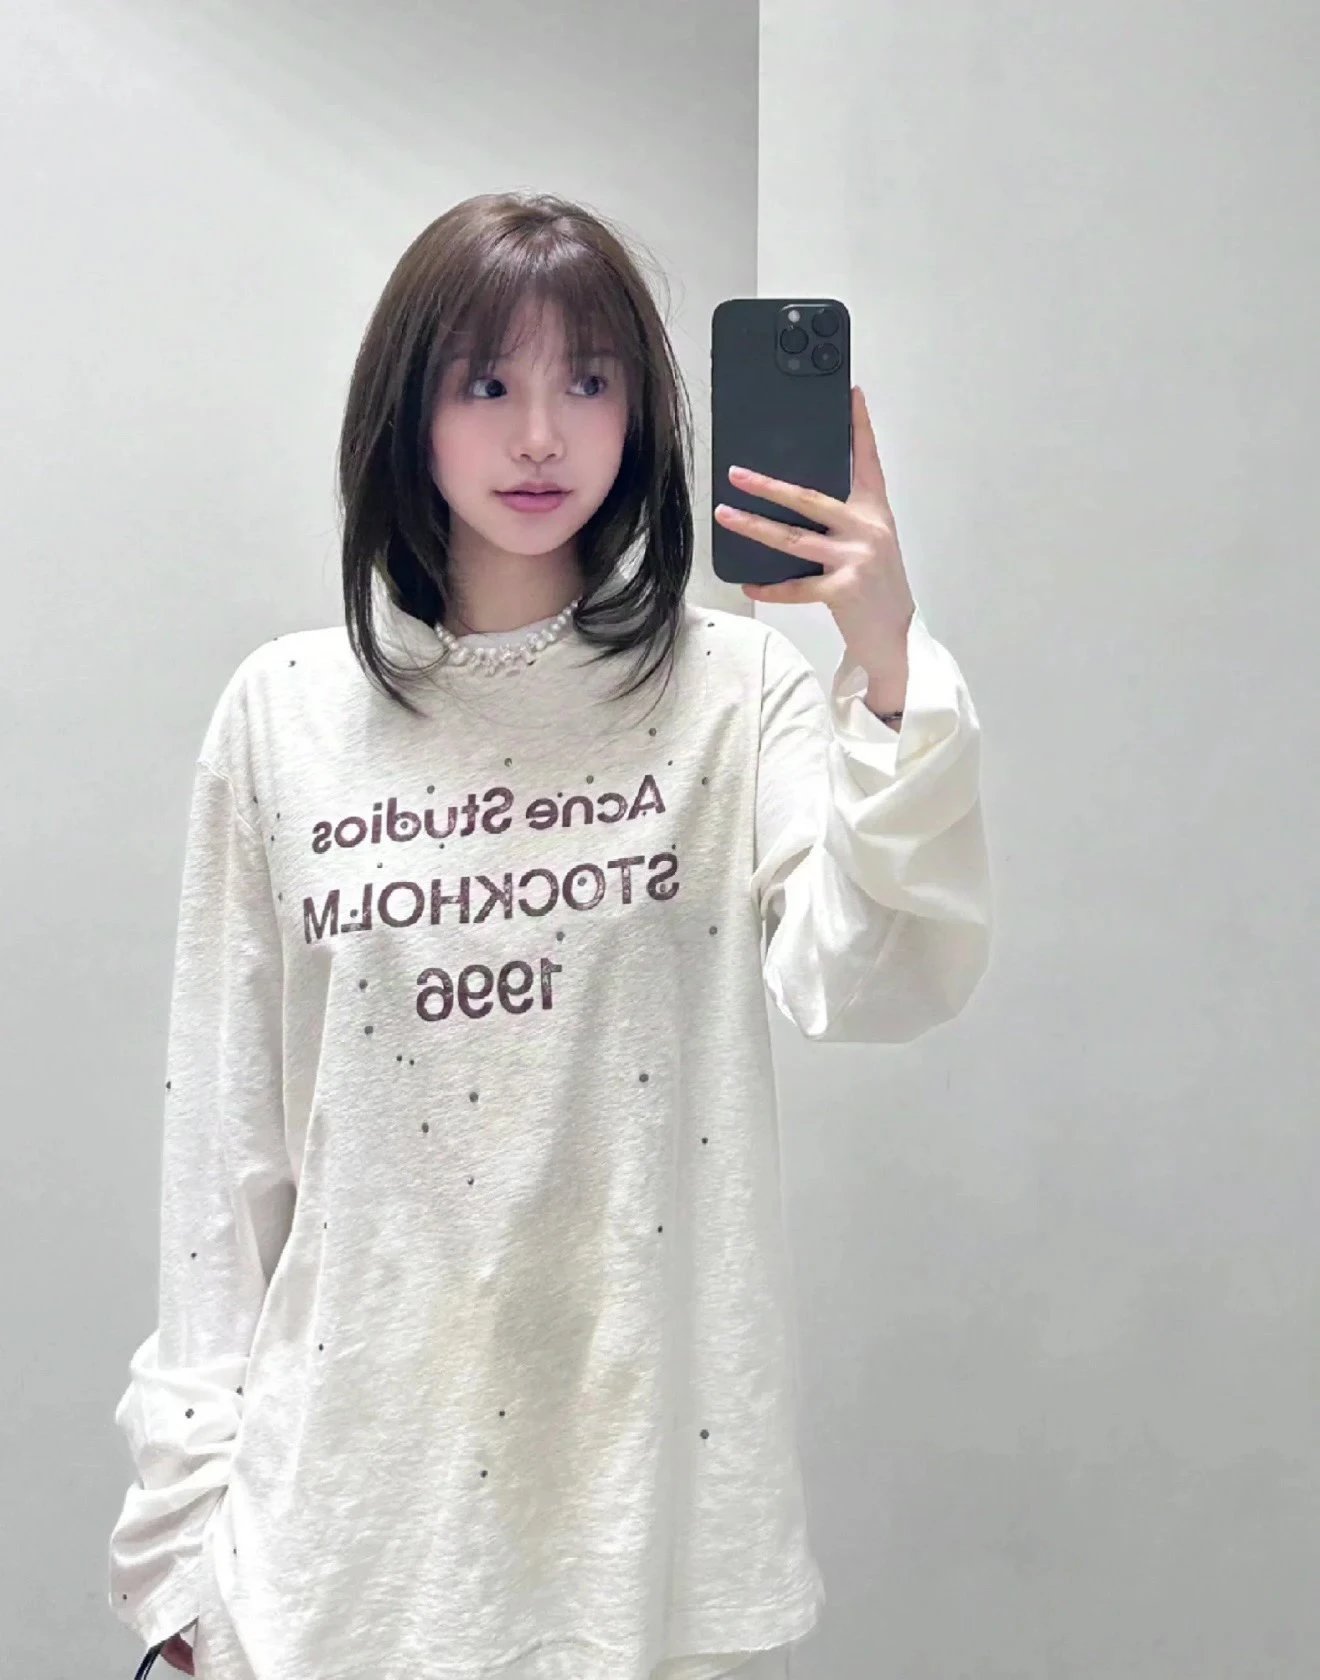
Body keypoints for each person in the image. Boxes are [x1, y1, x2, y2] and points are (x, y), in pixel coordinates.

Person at [107, 191, 993, 1680]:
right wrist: (186, 1552)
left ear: (642, 418)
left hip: (641, 1538)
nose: (539, 437)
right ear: (408, 411)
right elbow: (225, 1155)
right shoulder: (284, 715)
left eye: (588, 381)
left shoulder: (734, 696)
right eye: (486, 383)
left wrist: (889, 663)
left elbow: (878, 976)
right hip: (330, 1547)